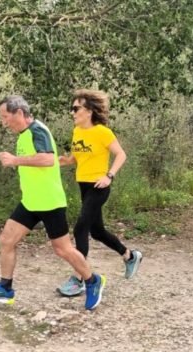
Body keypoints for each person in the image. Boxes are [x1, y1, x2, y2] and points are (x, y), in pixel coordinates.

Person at [0, 95, 105, 310]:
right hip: (31, 201)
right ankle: (5, 288)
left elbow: (47, 159)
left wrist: (15, 160)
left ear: (19, 113)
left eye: (5, 116)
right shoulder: (24, 134)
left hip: (49, 201)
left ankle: (93, 281)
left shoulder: (37, 130)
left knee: (63, 249)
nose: (3, 121)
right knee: (7, 240)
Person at [57, 89, 142, 297]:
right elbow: (79, 157)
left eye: (76, 108)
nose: (72, 112)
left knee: (80, 229)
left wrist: (109, 176)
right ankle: (130, 256)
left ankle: (80, 279)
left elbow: (121, 154)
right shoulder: (77, 131)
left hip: (99, 186)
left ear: (89, 111)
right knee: (97, 231)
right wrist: (66, 161)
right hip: (83, 185)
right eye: (72, 108)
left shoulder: (103, 132)